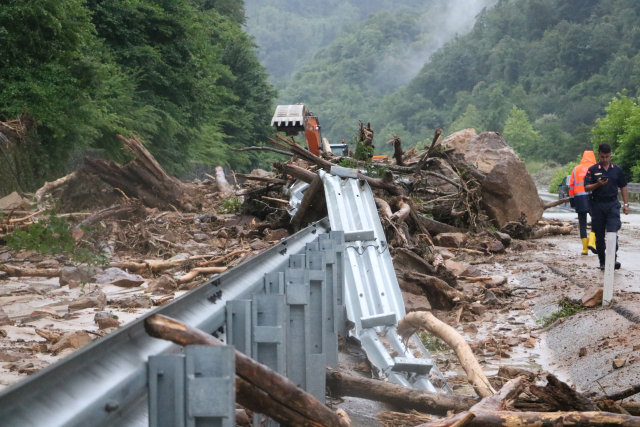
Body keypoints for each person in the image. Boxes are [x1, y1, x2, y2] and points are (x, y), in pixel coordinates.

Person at [584, 143, 630, 270]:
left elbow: (623, 186)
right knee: (599, 234)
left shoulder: (617, 169)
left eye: (607, 157)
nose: (605, 160)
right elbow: (586, 187)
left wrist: (626, 204)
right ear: (598, 154)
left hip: (612, 204)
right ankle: (603, 261)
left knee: (612, 232)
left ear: (610, 155)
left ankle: (612, 259)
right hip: (597, 204)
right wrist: (597, 184)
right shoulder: (593, 169)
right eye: (602, 157)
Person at [568, 150, 596, 255]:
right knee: (596, 221)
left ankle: (585, 249)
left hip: (579, 198)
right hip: (593, 198)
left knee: (582, 223)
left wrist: (572, 201)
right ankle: (592, 242)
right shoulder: (595, 168)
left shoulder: (576, 169)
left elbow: (571, 186)